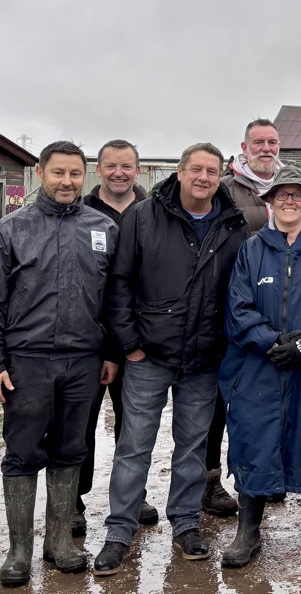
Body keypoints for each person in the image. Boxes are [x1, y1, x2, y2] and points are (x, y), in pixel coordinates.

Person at [94, 143, 249, 576]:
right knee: (133, 446)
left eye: (212, 171)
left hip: (203, 357)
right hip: (149, 355)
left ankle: (185, 523)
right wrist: (129, 344)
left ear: (222, 175)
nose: (203, 177)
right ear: (179, 172)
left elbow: (240, 290)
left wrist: (224, 345)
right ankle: (119, 530)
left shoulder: (232, 222)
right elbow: (120, 282)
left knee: (192, 449)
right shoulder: (144, 216)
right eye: (196, 169)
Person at [218, 165, 301, 567]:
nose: (289, 201)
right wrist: (269, 340)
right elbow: (237, 308)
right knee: (254, 437)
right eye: (282, 194)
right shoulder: (251, 249)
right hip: (259, 365)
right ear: (270, 201)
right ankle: (248, 530)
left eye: (297, 195)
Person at [0, 141, 119, 586]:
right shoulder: (12, 230)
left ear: (85, 176)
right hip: (28, 361)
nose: (67, 182)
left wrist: (110, 351)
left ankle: (60, 541)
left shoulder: (103, 228)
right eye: (58, 173)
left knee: (71, 449)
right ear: (40, 173)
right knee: (23, 452)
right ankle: (18, 552)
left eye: (75, 174)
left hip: (83, 360)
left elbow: (113, 299)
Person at [199, 120, 281, 515]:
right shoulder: (226, 189)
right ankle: (211, 479)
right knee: (221, 400)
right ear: (244, 148)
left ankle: (265, 474)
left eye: (272, 142)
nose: (266, 149)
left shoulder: (287, 186)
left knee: (266, 399)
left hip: (278, 311)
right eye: (258, 143)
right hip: (230, 308)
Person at [75, 139, 153, 538]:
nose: (118, 172)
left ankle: (132, 497)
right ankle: (74, 499)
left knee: (133, 424)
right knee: (80, 423)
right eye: (111, 166)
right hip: (89, 336)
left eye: (126, 166)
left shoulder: (151, 212)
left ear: (138, 170)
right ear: (98, 169)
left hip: (136, 337)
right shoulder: (82, 211)